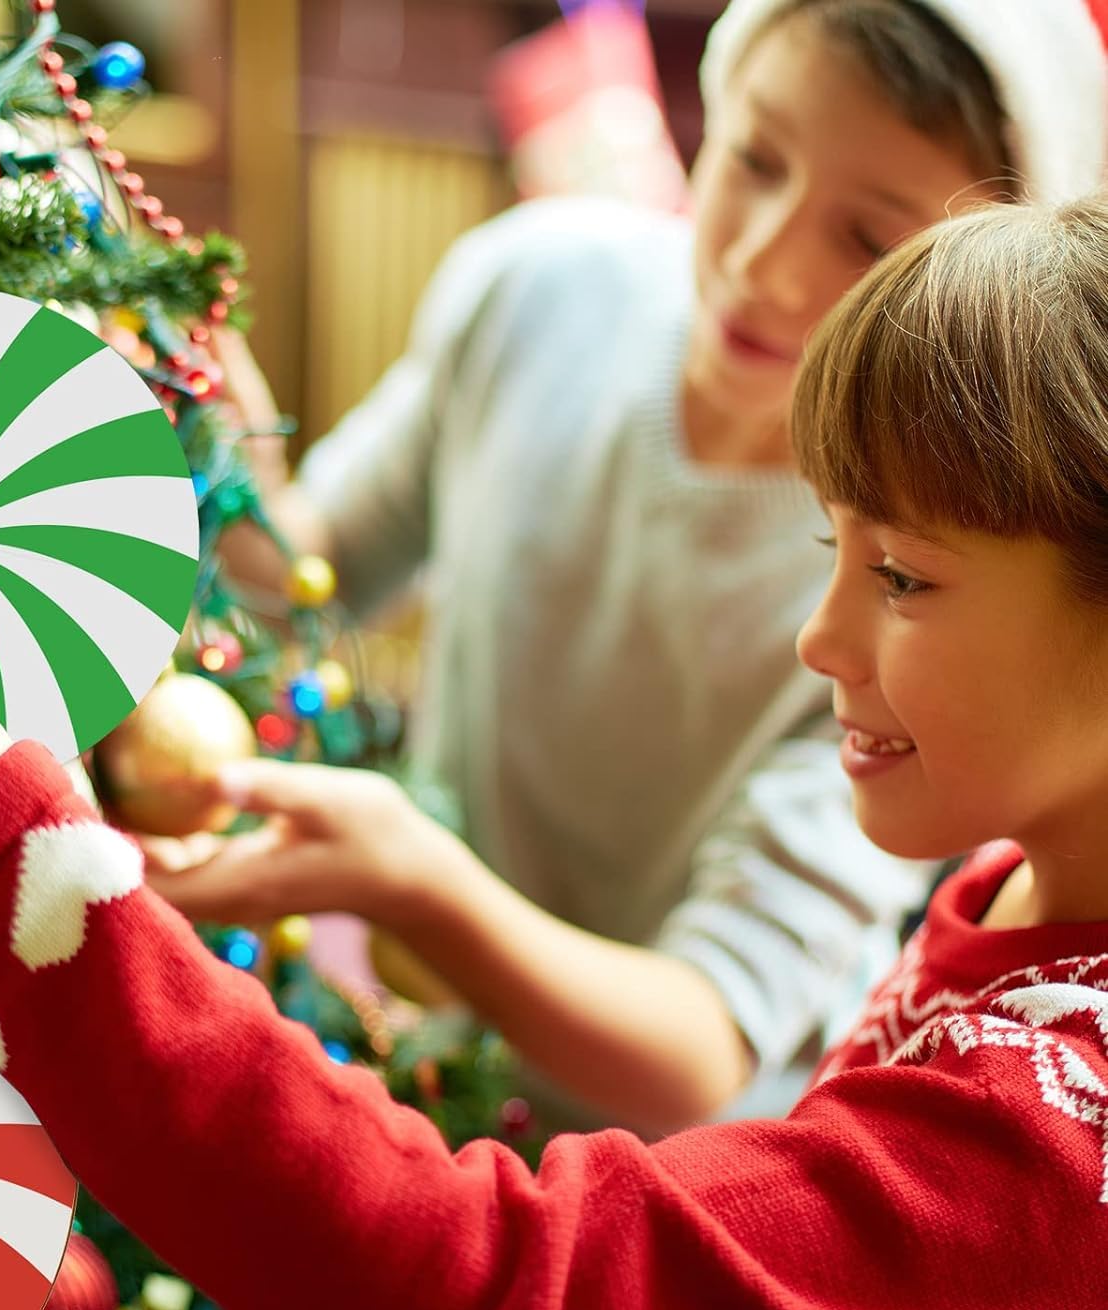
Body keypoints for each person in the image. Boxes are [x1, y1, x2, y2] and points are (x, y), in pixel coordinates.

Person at [0, 193, 1108, 1310]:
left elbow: (499, 1287)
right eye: (832, 549)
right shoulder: (1017, 894)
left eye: (905, 578)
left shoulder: (1051, 1134)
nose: (822, 638)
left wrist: (6, 863)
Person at [153, 0, 1108, 1134]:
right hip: (396, 1084)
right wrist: (205, 415)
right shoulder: (535, 287)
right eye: (753, 158)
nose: (762, 256)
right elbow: (301, 575)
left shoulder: (916, 589)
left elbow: (702, 1045)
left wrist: (420, 884)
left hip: (652, 1193)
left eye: (867, 238)